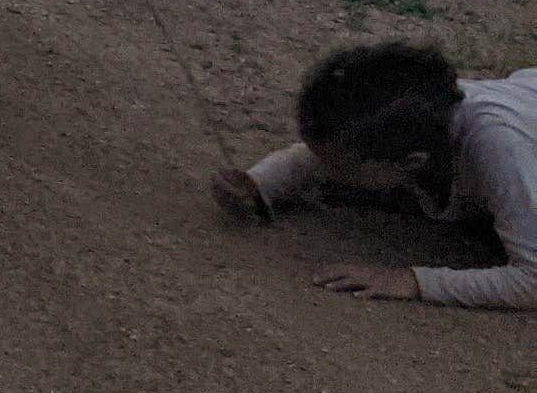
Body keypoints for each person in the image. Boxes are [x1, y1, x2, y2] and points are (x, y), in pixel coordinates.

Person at [211, 42, 537, 309]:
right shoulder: (419, 113)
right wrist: (261, 181)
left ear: (412, 163)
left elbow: (532, 280)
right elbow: (324, 155)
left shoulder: (499, 149)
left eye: (337, 167)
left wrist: (413, 281)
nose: (322, 167)